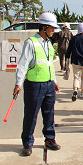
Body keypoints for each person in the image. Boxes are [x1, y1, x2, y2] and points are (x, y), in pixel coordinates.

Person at [13, 12, 62, 157]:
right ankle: (27, 143)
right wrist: (18, 83)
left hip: (48, 85)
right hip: (34, 86)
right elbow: (22, 65)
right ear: (44, 27)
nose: (54, 30)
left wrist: (54, 81)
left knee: (49, 114)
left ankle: (50, 139)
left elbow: (49, 64)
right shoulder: (31, 42)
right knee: (31, 115)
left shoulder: (48, 43)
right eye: (52, 28)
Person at [66, 22, 83, 101]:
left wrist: (67, 60)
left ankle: (75, 89)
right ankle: (82, 92)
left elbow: (69, 50)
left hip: (75, 61)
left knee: (76, 77)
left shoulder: (73, 38)